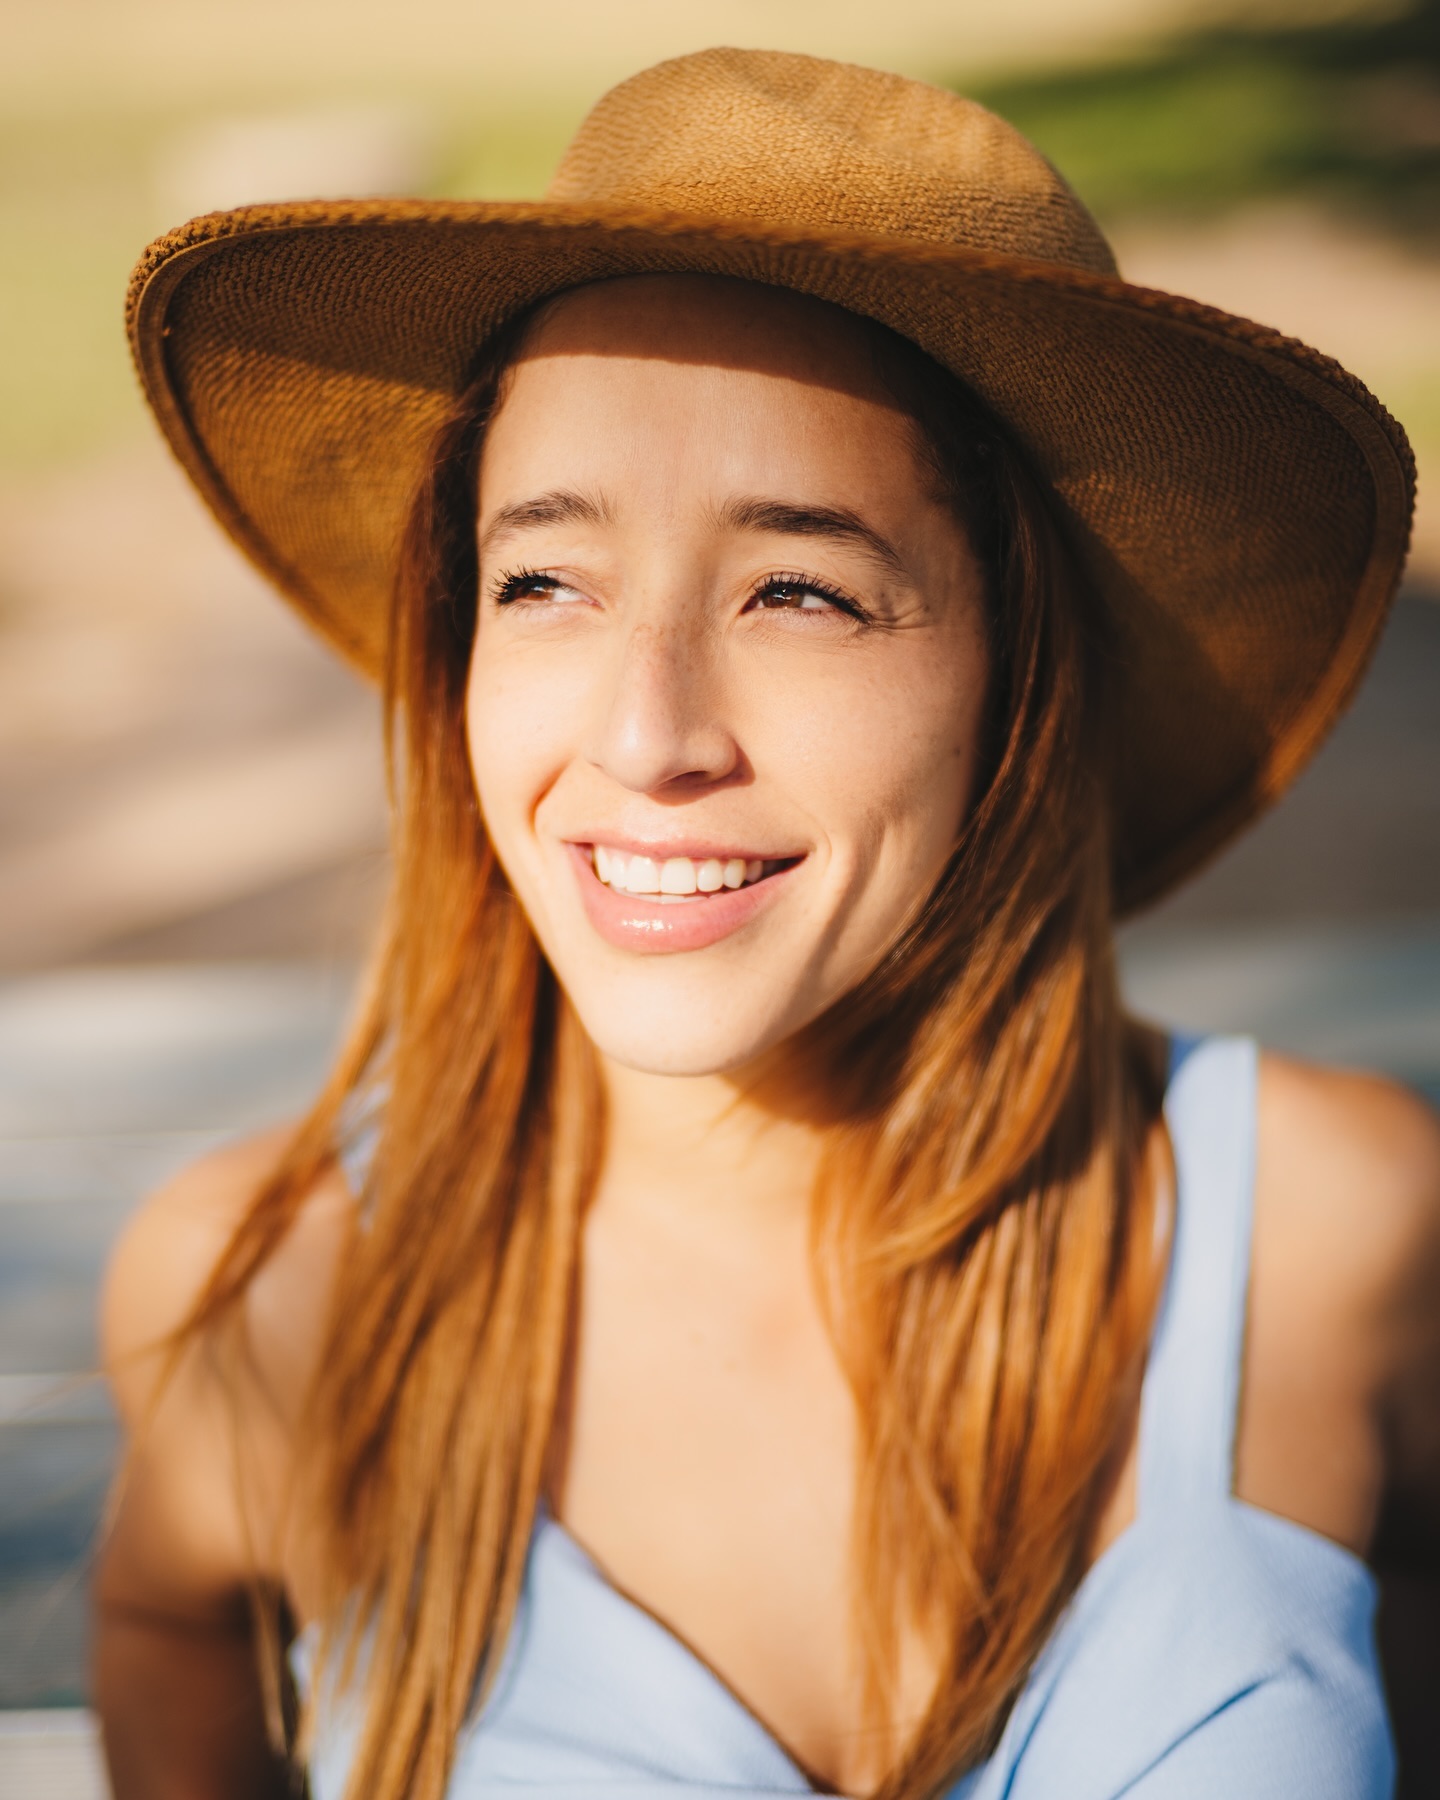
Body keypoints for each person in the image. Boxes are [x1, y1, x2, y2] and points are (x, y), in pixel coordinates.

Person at [97, 47, 1438, 1800]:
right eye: (546, 580)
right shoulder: (285, 1297)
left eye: (800, 588)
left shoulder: (1338, 1242)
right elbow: (165, 1629)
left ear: (1017, 678)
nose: (649, 738)